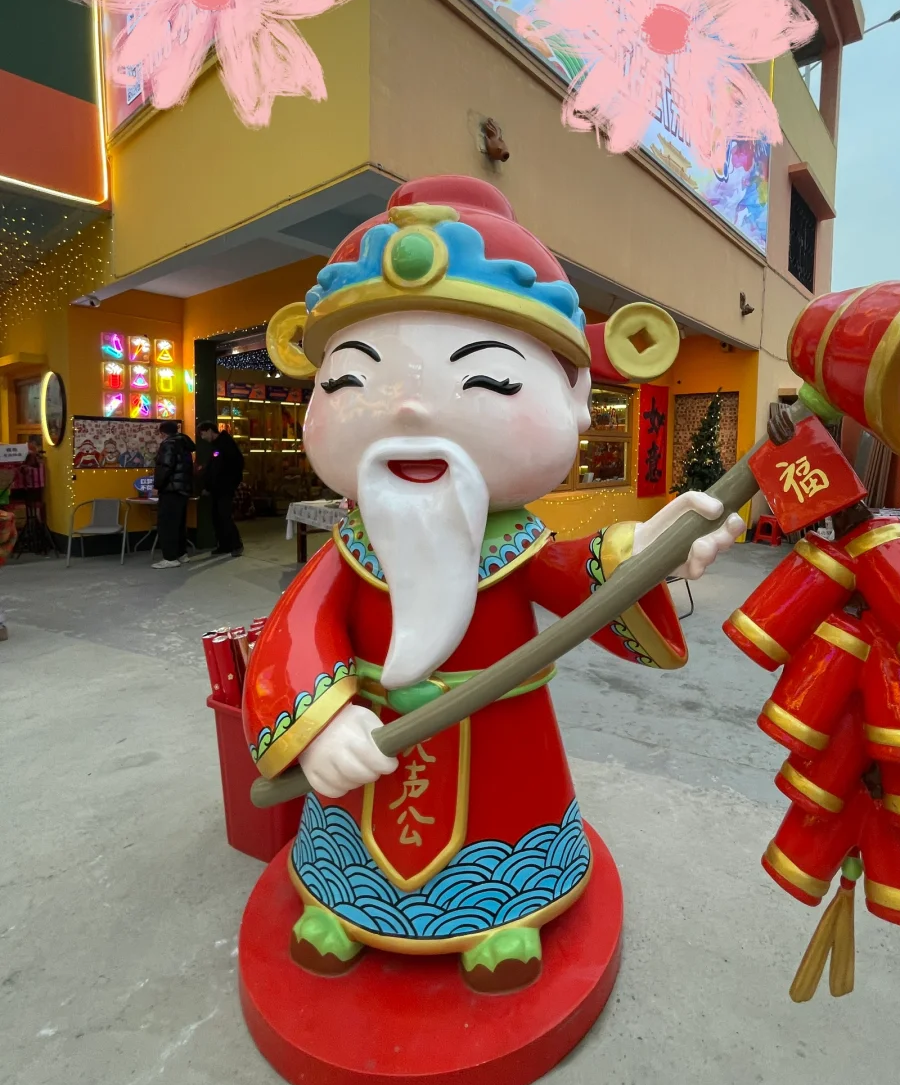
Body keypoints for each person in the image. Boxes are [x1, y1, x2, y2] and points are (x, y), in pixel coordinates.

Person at [243, 176, 744, 989]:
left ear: (577, 400)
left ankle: (506, 907)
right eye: (350, 381)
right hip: (370, 733)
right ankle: (343, 899)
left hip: (501, 734)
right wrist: (321, 722)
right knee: (349, 823)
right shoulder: (351, 544)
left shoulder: (516, 541)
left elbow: (581, 579)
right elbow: (297, 632)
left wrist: (645, 552)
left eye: (487, 380)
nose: (408, 412)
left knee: (506, 829)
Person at [198, 421, 245, 557]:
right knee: (217, 517)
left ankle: (236, 545)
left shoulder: (225, 445)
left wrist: (229, 483)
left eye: (203, 434)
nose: (202, 437)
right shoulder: (217, 445)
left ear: (210, 430)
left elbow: (221, 468)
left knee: (224, 516)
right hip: (217, 488)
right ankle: (224, 545)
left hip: (224, 488)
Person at [152, 421, 195, 569]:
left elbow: (165, 466)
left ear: (163, 433)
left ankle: (170, 558)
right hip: (183, 489)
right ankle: (181, 554)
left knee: (167, 524)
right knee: (179, 524)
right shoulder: (184, 444)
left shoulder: (168, 444)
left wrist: (157, 485)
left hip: (171, 489)